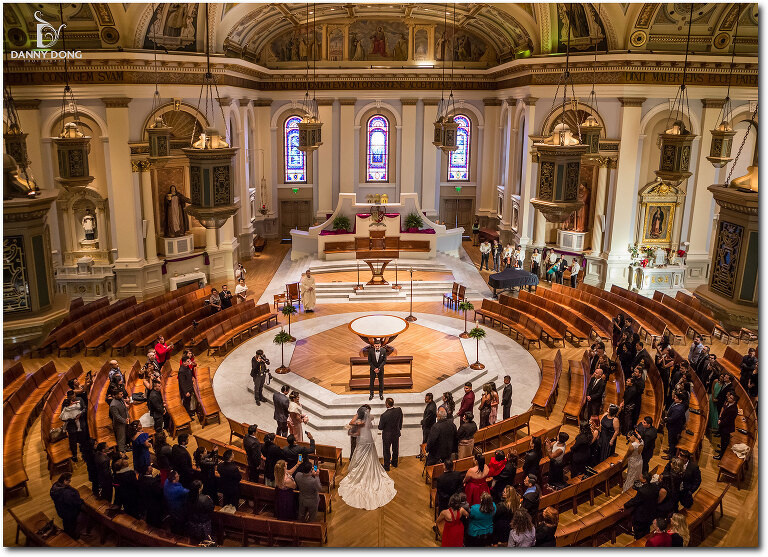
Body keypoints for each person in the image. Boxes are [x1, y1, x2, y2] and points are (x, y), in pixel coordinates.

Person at [337, 405, 397, 510]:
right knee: (370, 457)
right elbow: (370, 421)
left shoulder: (360, 419)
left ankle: (360, 473)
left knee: (360, 456)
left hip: (362, 440)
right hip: (368, 439)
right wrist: (364, 420)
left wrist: (356, 424)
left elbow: (353, 426)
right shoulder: (369, 417)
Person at [621, 470, 660, 538]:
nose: (639, 477)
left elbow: (635, 500)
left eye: (641, 476)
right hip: (651, 512)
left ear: (644, 480)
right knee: (646, 530)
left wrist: (625, 505)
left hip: (642, 515)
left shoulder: (642, 490)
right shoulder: (654, 486)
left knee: (639, 531)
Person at [49, 473, 83, 539]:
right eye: (69, 480)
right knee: (71, 525)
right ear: (64, 481)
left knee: (66, 523)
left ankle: (67, 533)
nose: (70, 482)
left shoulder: (55, 486)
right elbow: (75, 502)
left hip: (60, 510)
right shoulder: (66, 494)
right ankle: (72, 537)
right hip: (69, 512)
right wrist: (81, 501)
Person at [60, 392, 87, 462]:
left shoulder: (80, 399)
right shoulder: (65, 403)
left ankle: (84, 453)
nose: (73, 398)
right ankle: (74, 455)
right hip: (71, 426)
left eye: (74, 396)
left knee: (83, 439)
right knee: (73, 442)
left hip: (81, 423)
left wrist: (80, 414)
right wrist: (73, 419)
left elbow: (85, 408)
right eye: (71, 398)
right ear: (68, 397)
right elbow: (63, 417)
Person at [378, 397, 403, 470]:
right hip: (396, 433)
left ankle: (386, 466)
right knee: (395, 449)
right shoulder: (399, 410)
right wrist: (399, 428)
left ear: (387, 404)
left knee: (386, 451)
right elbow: (401, 419)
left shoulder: (384, 415)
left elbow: (380, 427)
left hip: (387, 435)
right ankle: (395, 463)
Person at [715, 391, 739, 461]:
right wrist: (720, 418)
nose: (728, 398)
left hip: (727, 428)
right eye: (729, 397)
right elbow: (724, 412)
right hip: (724, 426)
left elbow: (728, 420)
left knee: (724, 443)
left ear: (734, 401)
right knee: (722, 441)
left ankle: (721, 456)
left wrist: (720, 422)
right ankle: (721, 451)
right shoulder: (729, 404)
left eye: (731, 398)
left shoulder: (733, 409)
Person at [163, 470, 189, 534]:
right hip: (178, 508)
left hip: (170, 506)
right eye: (177, 476)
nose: (179, 476)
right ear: (174, 480)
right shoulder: (178, 490)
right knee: (179, 523)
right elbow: (188, 492)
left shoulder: (166, 481)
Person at [664, 391, 687, 460]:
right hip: (675, 426)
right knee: (671, 441)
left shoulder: (678, 409)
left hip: (674, 428)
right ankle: (670, 451)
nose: (674, 398)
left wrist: (666, 419)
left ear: (680, 400)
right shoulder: (679, 405)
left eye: (676, 398)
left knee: (672, 442)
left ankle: (670, 455)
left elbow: (673, 419)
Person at [109, 389, 129, 455]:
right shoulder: (113, 405)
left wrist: (127, 417)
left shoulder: (121, 399)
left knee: (124, 436)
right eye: (120, 394)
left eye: (122, 394)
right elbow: (116, 416)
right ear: (115, 395)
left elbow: (125, 409)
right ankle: (121, 452)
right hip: (119, 424)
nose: (122, 395)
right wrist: (124, 421)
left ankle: (124, 448)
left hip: (125, 421)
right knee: (121, 438)